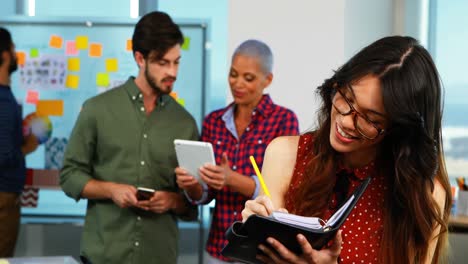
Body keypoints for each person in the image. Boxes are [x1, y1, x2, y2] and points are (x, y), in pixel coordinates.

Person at [241, 36, 451, 264]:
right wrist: (253, 234)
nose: (347, 122)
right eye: (346, 98)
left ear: (400, 130)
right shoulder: (285, 155)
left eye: (371, 119)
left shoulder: (423, 193)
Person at [60, 11, 199, 264]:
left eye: (176, 62)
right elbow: (69, 176)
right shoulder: (97, 110)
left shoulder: (185, 123)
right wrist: (111, 190)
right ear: (139, 58)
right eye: (163, 63)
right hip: (104, 254)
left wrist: (172, 200)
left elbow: (191, 206)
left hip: (159, 255)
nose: (172, 71)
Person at [176, 39, 300, 263]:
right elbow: (205, 195)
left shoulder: (284, 120)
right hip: (219, 247)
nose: (238, 84)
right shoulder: (214, 121)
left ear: (267, 80)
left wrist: (231, 179)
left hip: (261, 251)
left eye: (248, 78)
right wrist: (193, 185)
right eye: (233, 74)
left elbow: (285, 192)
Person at [0, 27, 39, 257]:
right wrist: (28, 146)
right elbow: (3, 155)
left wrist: (20, 130)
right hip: (3, 199)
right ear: (4, 54)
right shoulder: (3, 100)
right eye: (14, 49)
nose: (17, 55)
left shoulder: (6, 96)